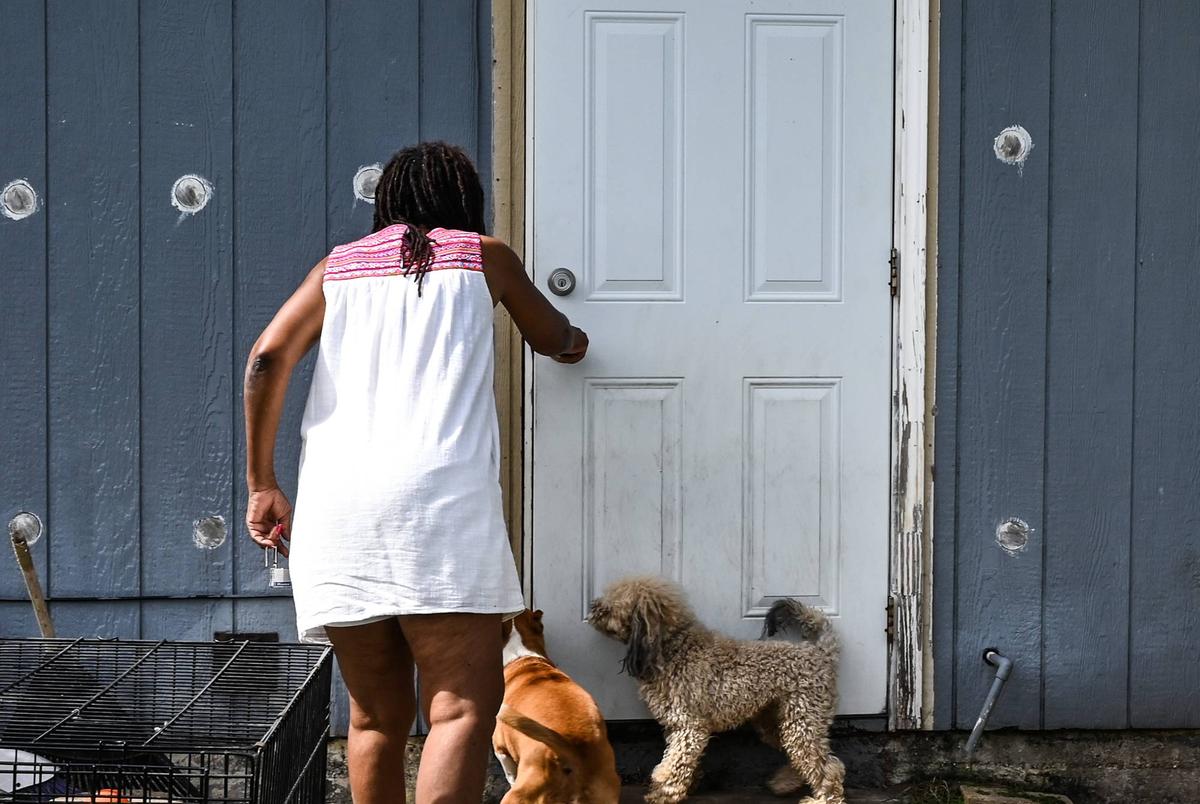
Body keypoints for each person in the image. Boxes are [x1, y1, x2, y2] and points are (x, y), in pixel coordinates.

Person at [242, 141, 588, 804]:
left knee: (373, 718)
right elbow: (553, 337)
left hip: (337, 511)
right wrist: (576, 344)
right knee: (458, 708)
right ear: (464, 202)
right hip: (439, 507)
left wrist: (263, 483)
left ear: (387, 204)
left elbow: (265, 360)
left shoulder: (336, 269)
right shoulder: (484, 257)